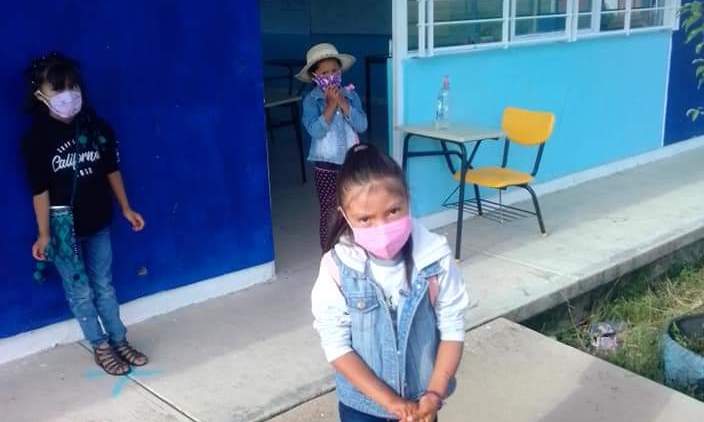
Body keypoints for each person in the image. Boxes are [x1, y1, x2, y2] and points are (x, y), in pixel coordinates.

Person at [311, 144, 470, 421]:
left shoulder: (435, 259)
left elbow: (452, 327)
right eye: (365, 219)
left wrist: (434, 394)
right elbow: (336, 345)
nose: (381, 228)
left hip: (423, 404)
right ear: (345, 215)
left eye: (393, 211)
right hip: (362, 409)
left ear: (407, 199)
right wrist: (390, 402)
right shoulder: (336, 268)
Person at [21, 52, 148, 376]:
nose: (68, 95)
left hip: (99, 222)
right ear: (40, 95)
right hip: (63, 230)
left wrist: (126, 207)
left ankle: (119, 339)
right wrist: (44, 233)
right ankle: (100, 346)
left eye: (73, 87)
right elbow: (40, 190)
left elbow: (112, 170)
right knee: (80, 290)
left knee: (104, 285)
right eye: (58, 89)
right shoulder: (37, 140)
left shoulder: (97, 128)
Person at [296, 43, 368, 250]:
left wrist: (343, 103)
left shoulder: (351, 95)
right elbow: (316, 131)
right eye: (324, 73)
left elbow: (362, 125)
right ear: (315, 77)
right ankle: (329, 252)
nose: (331, 76)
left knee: (356, 207)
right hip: (325, 166)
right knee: (330, 210)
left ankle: (356, 250)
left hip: (352, 164)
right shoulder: (311, 101)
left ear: (340, 72)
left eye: (334, 71)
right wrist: (330, 106)